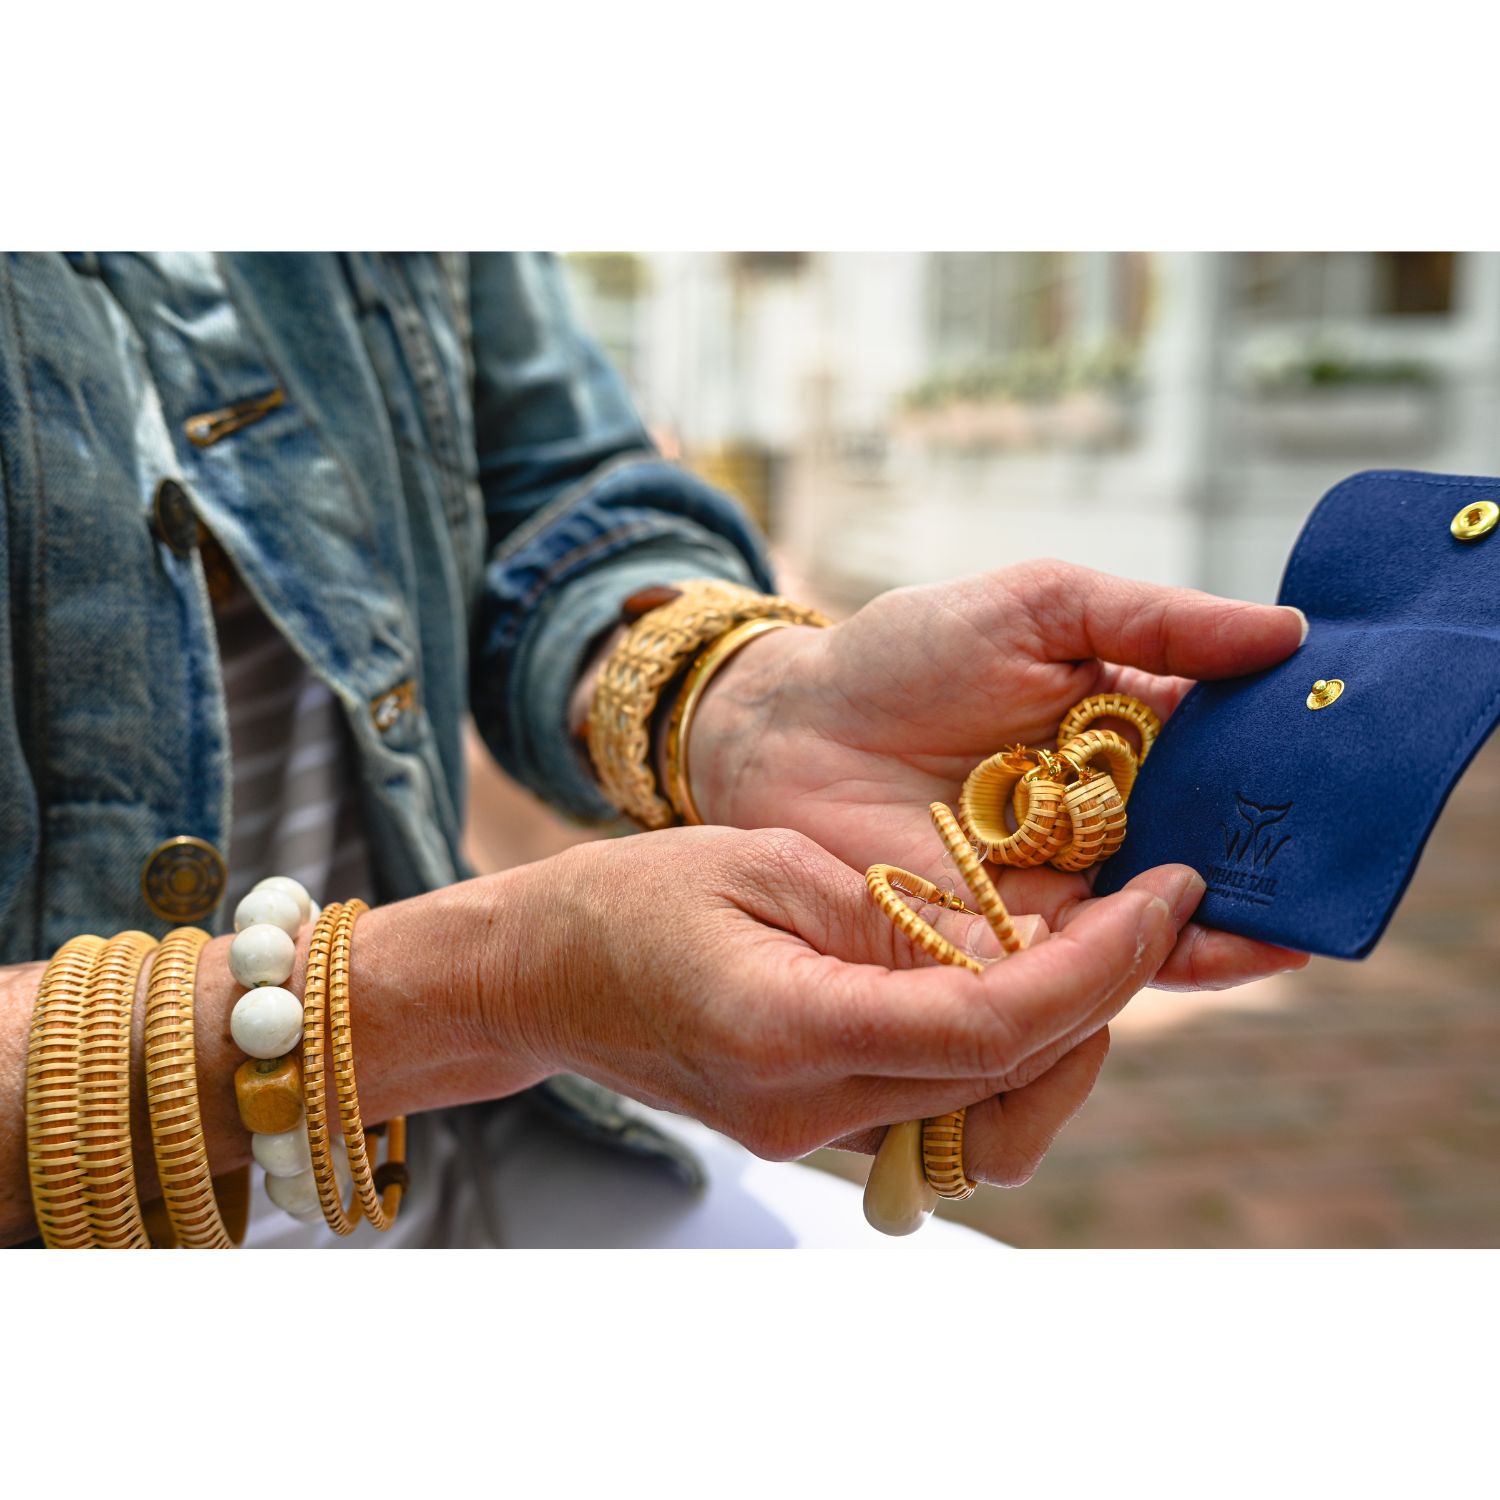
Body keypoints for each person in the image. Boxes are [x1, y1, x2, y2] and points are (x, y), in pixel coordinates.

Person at [0, 252, 1308, 1248]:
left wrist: (748, 702)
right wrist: (487, 992)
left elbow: (551, 487)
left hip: (459, 1159)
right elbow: (498, 990)